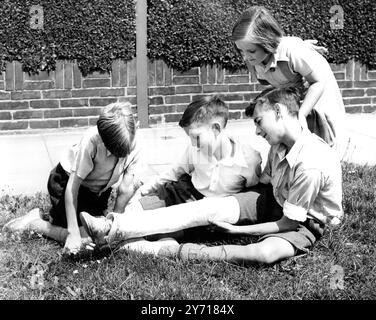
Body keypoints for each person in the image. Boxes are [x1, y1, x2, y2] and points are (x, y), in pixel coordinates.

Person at [79, 87, 343, 265]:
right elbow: (261, 187)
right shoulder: (278, 146)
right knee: (208, 208)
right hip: (274, 200)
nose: (257, 131)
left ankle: (145, 247)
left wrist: (239, 228)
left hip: (305, 221)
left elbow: (288, 223)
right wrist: (226, 207)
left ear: (279, 112)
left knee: (264, 253)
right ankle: (113, 227)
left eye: (259, 122)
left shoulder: (310, 163)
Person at [3, 102, 143, 255]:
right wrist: (72, 233)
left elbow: (125, 189)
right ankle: (34, 223)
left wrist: (115, 225)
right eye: (114, 151)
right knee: (83, 237)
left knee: (99, 233)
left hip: (97, 192)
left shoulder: (136, 143)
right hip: (65, 183)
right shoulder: (91, 141)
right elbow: (72, 187)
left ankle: (62, 219)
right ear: (103, 139)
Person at [231, 6, 345, 150]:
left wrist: (302, 114)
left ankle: (329, 159)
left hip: (317, 83)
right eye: (241, 50)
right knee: (294, 127)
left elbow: (318, 82)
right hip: (296, 85)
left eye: (251, 51)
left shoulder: (292, 51)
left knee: (323, 123)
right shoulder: (253, 59)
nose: (246, 57)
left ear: (267, 42)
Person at [130, 95, 262, 213]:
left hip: (223, 207)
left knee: (173, 227)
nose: (193, 143)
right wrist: (144, 190)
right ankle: (128, 214)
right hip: (191, 196)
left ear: (216, 128)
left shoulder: (248, 159)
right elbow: (173, 173)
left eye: (196, 137)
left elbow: (252, 195)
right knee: (150, 203)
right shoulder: (194, 150)